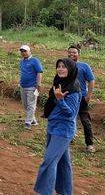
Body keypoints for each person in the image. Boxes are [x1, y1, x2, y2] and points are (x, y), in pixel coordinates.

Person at [34, 58, 82, 195]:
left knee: (49, 162)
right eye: (59, 66)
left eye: (64, 67)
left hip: (63, 129)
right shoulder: (59, 82)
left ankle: (45, 192)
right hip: (53, 126)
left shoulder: (74, 89)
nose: (60, 69)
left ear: (71, 69)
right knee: (63, 163)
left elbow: (71, 114)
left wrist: (61, 100)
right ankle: (65, 191)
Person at [68, 45, 96, 152]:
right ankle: (70, 137)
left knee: (85, 121)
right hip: (69, 97)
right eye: (70, 52)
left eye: (74, 52)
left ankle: (89, 144)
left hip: (81, 97)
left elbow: (91, 80)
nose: (72, 54)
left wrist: (88, 95)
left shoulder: (84, 66)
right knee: (69, 118)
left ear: (78, 54)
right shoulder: (65, 65)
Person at [19, 44, 44, 129]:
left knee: (31, 104)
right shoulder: (22, 61)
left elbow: (39, 72)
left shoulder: (35, 61)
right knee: (25, 105)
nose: (23, 53)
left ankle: (28, 122)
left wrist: (39, 84)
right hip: (23, 86)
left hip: (32, 86)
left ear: (29, 51)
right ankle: (33, 120)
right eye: (22, 51)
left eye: (25, 51)